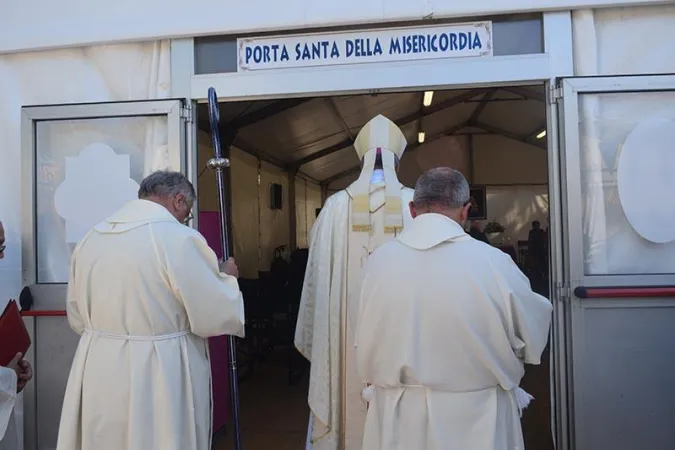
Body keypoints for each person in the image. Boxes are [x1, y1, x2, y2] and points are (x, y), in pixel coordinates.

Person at [355, 167, 552, 450]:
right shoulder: (495, 264)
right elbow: (533, 338)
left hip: (397, 417)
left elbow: (360, 331)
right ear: (465, 211)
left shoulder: (376, 264)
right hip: (478, 420)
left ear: (412, 209)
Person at [56, 171, 245, 450]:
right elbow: (213, 312)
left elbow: (76, 314)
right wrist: (226, 278)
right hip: (159, 368)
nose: (185, 219)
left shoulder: (91, 238)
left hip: (99, 363)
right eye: (187, 213)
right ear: (179, 201)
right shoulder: (177, 238)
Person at [295, 114, 414, 450]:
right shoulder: (415, 205)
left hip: (344, 338)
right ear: (397, 159)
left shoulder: (334, 207)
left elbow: (316, 280)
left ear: (362, 158)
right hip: (400, 338)